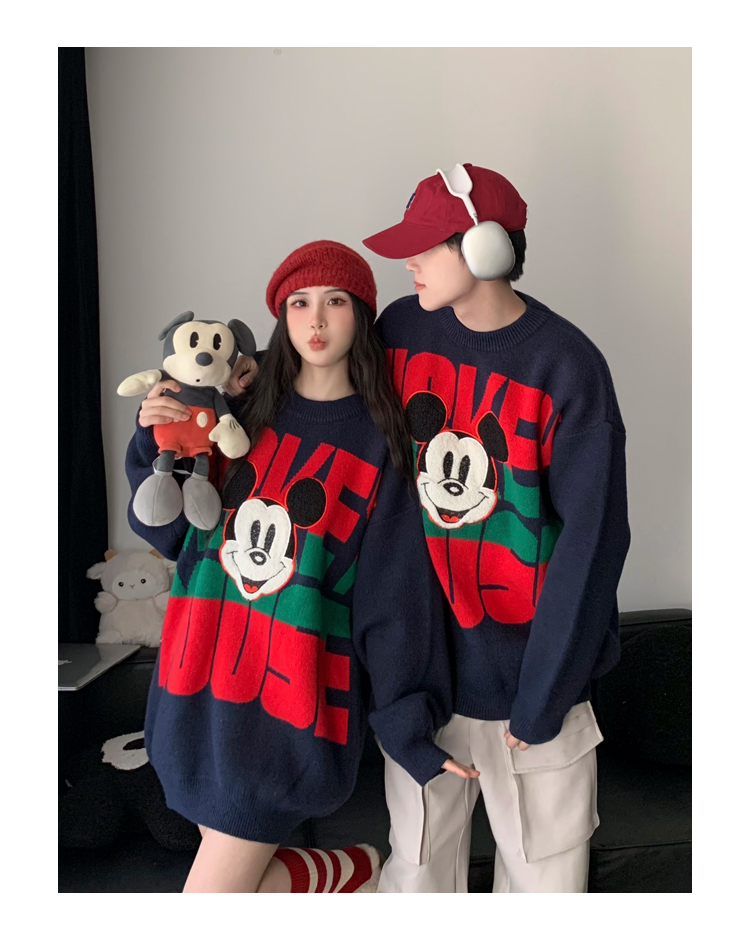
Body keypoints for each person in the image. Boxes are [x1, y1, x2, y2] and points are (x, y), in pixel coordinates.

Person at [125, 240, 475, 893]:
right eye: (298, 303)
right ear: (280, 318)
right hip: (193, 685)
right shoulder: (238, 413)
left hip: (282, 709)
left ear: (360, 313)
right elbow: (170, 533)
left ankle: (338, 872)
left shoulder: (380, 444)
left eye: (335, 302)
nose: (315, 320)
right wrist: (154, 438)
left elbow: (392, 603)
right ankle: (337, 873)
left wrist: (408, 721)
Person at [340, 163, 630, 893]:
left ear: (485, 247)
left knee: (544, 891)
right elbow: (322, 405)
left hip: (533, 690)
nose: (408, 261)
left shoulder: (567, 365)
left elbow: (593, 543)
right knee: (416, 880)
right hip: (423, 687)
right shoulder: (399, 329)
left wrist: (543, 700)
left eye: (426, 245)